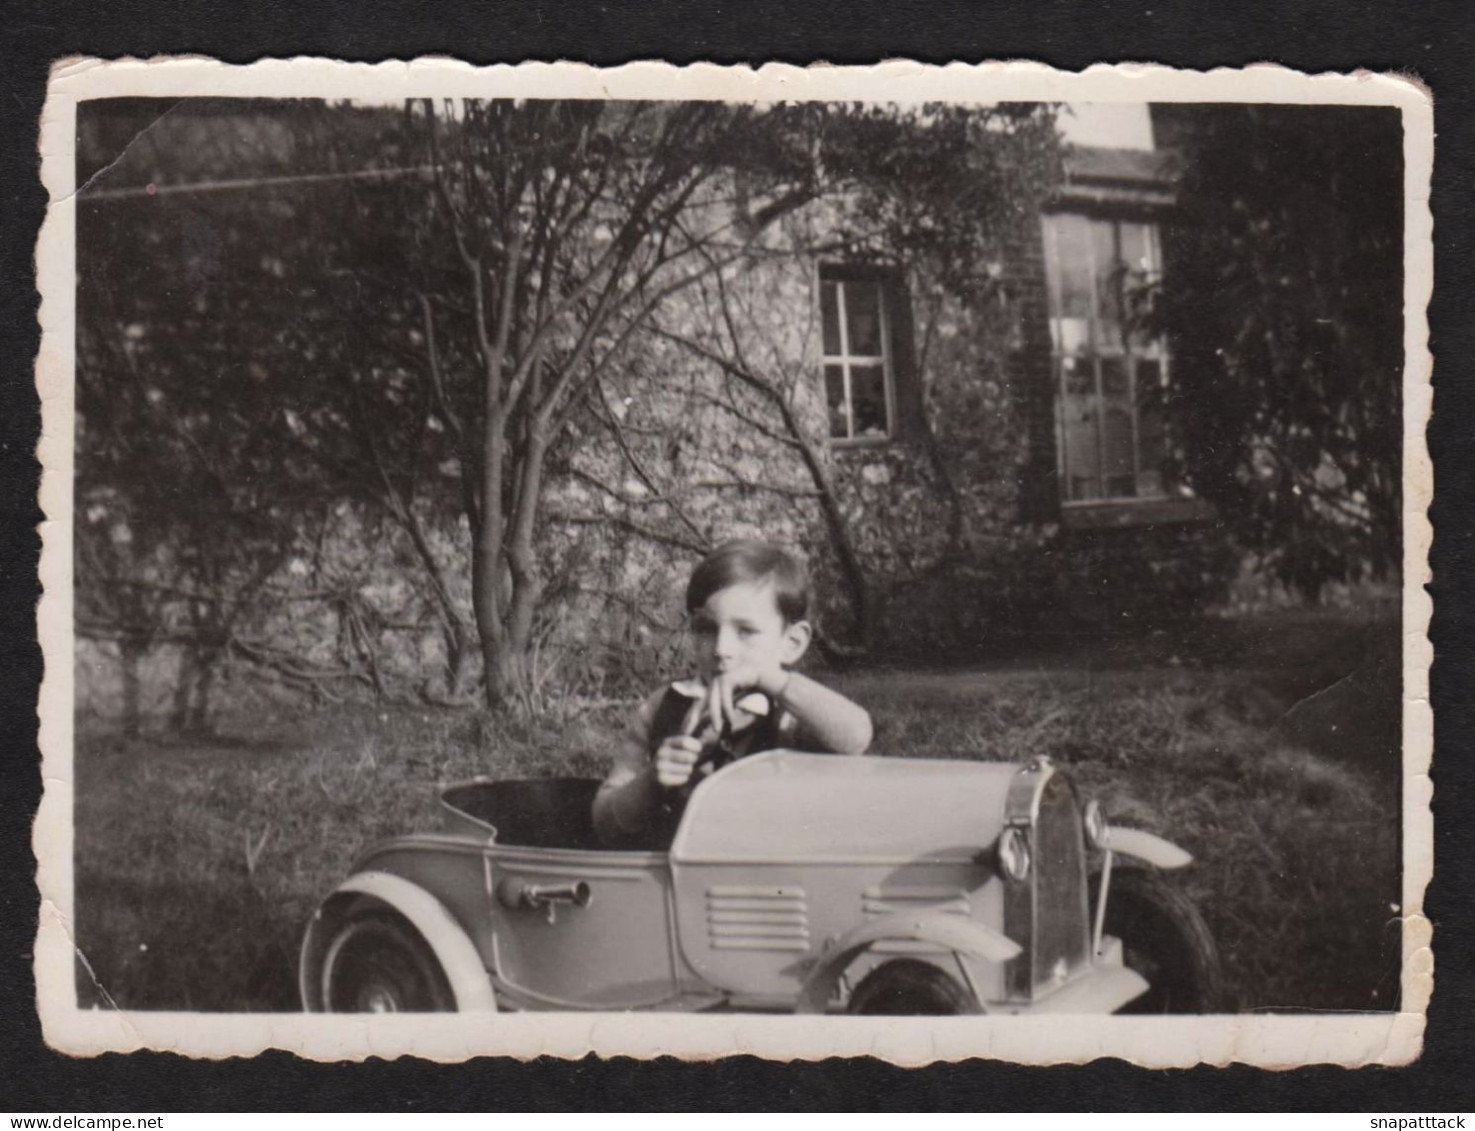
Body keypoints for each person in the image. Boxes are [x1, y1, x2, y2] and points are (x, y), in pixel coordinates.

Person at [592, 539, 873, 848]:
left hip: (767, 881)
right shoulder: (664, 706)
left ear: (791, 643)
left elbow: (856, 735)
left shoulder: (792, 712)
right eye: (706, 629)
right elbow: (606, 825)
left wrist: (766, 677)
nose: (722, 650)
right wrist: (651, 780)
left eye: (746, 632)